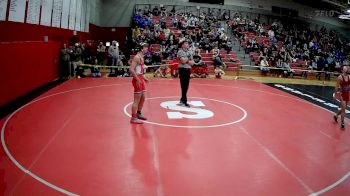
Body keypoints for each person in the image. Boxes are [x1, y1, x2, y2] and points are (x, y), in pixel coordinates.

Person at [129, 43, 149, 124]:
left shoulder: (142, 57)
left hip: (140, 78)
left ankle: (138, 113)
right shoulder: (137, 57)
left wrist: (144, 78)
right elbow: (131, 69)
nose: (147, 49)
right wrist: (137, 79)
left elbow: (139, 70)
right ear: (141, 48)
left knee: (143, 97)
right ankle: (133, 118)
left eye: (147, 47)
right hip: (137, 79)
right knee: (136, 99)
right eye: (145, 47)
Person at [177, 41, 194, 107]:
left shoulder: (190, 52)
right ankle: (185, 100)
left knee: (186, 86)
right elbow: (183, 61)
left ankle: (182, 98)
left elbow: (192, 63)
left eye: (187, 43)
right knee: (183, 85)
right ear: (182, 45)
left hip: (188, 69)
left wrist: (186, 60)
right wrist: (188, 58)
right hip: (182, 69)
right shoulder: (180, 51)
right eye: (186, 43)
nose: (187, 44)